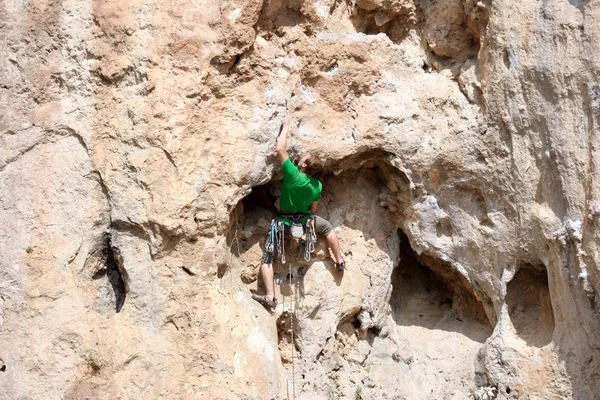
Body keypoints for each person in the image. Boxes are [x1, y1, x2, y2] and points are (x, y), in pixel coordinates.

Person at [252, 116, 345, 310]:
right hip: (305, 222)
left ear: (303, 164)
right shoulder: (317, 185)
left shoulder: (293, 175)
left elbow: (280, 149)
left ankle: (270, 296)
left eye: (304, 158)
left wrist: (285, 126)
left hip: (283, 224)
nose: (302, 157)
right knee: (327, 227)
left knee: (267, 258)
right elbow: (313, 210)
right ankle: (340, 260)